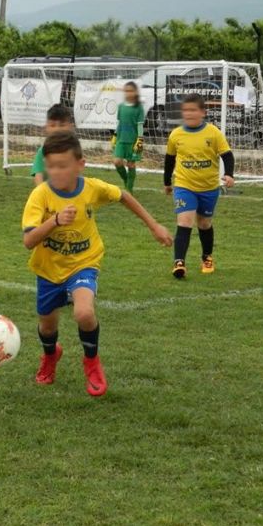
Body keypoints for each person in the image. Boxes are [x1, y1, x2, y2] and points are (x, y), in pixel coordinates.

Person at [22, 131, 172, 396]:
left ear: (80, 165)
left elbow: (123, 196)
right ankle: (50, 355)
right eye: (51, 166)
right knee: (47, 326)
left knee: (84, 313)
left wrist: (154, 225)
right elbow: (29, 241)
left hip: (84, 263)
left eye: (63, 166)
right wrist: (54, 221)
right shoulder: (40, 196)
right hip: (48, 269)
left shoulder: (92, 188)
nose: (56, 172)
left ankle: (92, 362)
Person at [164, 93, 235, 279]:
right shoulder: (176, 135)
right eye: (186, 110)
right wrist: (166, 182)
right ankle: (179, 263)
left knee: (204, 224)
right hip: (184, 185)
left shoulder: (213, 133)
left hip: (209, 187)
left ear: (203, 112)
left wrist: (228, 174)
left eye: (193, 110)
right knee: (185, 221)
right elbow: (169, 159)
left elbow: (227, 155)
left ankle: (207, 257)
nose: (189, 114)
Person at [111, 81, 145, 192]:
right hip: (121, 139)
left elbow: (140, 125)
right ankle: (126, 180)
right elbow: (119, 123)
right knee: (117, 161)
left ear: (135, 92)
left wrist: (139, 140)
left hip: (133, 141)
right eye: (126, 91)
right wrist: (115, 135)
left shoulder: (139, 108)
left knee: (131, 164)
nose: (128, 93)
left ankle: (129, 190)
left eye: (130, 91)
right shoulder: (121, 106)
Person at [32, 104, 75, 186]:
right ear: (46, 127)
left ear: (71, 127)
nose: (57, 129)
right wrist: (42, 193)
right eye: (52, 125)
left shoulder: (74, 150)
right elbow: (38, 174)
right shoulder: (43, 150)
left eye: (62, 125)